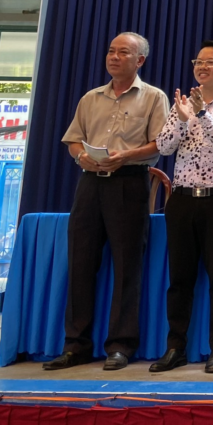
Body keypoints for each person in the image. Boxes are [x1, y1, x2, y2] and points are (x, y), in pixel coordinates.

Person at [45, 33, 169, 371]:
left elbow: (160, 144)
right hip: (90, 184)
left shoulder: (154, 97)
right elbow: (73, 140)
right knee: (81, 263)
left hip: (129, 182)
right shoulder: (91, 98)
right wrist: (81, 156)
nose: (114, 57)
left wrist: (127, 155)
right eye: (111, 51)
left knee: (127, 267)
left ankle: (120, 345)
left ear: (140, 60)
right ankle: (75, 345)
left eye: (123, 52)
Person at [148, 41, 213, 375]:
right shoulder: (181, 104)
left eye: (210, 61)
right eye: (198, 61)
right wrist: (180, 119)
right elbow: (164, 147)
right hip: (182, 200)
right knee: (179, 279)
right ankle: (175, 347)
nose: (202, 67)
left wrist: (201, 114)